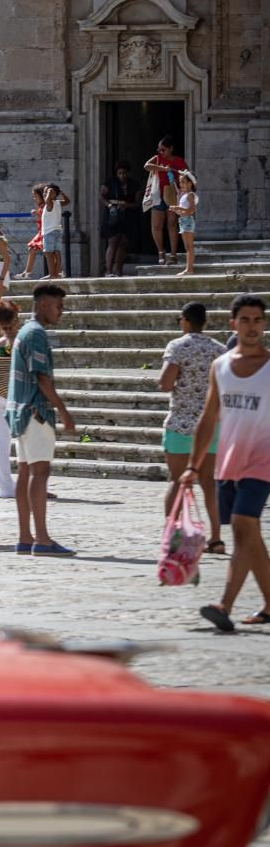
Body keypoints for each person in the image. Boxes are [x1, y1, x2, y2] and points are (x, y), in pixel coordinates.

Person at [184, 295, 270, 632]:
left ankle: (225, 605)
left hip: (262, 461)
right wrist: (193, 466)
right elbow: (208, 418)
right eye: (245, 320)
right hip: (229, 461)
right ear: (233, 324)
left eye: (258, 320)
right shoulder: (220, 367)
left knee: (242, 525)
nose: (252, 326)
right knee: (249, 536)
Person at [6, 282, 77, 556]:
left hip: (20, 412)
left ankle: (25, 536)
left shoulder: (25, 331)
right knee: (40, 472)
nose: (61, 312)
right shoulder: (36, 334)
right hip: (35, 411)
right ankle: (43, 539)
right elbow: (42, 378)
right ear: (44, 304)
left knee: (26, 473)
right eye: (59, 306)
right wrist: (64, 412)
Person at [161, 301, 228, 555]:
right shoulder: (219, 349)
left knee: (176, 480)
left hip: (180, 424)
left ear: (185, 320)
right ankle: (216, 538)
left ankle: (173, 537)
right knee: (209, 483)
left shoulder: (177, 346)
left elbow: (166, 382)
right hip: (210, 426)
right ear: (205, 322)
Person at [0, 301, 21, 499]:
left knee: (1, 444)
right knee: (27, 443)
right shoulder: (24, 344)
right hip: (22, 396)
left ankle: (6, 487)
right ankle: (33, 484)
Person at [143, 134, 187, 266]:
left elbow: (186, 175)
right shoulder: (157, 158)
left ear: (171, 148)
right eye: (159, 149)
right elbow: (146, 166)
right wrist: (163, 168)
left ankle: (173, 255)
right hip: (158, 195)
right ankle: (161, 252)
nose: (160, 152)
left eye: (163, 149)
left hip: (173, 195)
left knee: (172, 224)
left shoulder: (179, 161)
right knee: (156, 225)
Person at [101, 161, 135, 277]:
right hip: (113, 214)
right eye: (119, 173)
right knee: (113, 241)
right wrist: (110, 206)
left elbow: (138, 201)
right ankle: (108, 271)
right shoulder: (110, 182)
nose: (121, 175)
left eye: (124, 173)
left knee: (123, 242)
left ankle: (119, 270)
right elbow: (101, 196)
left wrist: (127, 205)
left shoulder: (132, 184)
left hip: (127, 214)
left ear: (128, 173)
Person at [38, 183, 71, 279]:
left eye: (46, 192)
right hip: (57, 231)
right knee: (57, 253)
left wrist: (49, 192)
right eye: (44, 192)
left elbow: (47, 200)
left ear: (53, 194)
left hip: (49, 232)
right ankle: (58, 272)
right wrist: (61, 193)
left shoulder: (50, 203)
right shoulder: (57, 203)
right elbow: (68, 201)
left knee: (48, 253)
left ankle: (52, 274)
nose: (44, 194)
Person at [170, 170, 199, 275]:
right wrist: (176, 210)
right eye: (180, 182)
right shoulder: (184, 195)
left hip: (187, 221)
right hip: (183, 221)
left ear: (190, 183)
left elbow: (191, 210)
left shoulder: (190, 195)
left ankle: (189, 269)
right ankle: (188, 269)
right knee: (187, 246)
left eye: (183, 182)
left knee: (189, 246)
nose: (181, 184)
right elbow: (184, 211)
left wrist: (178, 208)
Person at [22, 184, 46, 280]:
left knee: (50, 252)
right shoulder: (41, 207)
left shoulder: (46, 206)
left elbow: (45, 217)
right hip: (41, 232)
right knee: (32, 249)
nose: (34, 199)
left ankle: (58, 271)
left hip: (45, 232)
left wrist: (37, 213)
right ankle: (27, 272)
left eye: (36, 196)